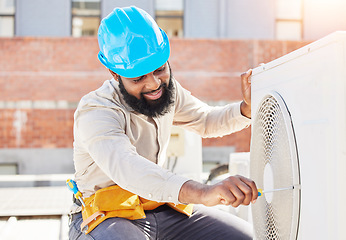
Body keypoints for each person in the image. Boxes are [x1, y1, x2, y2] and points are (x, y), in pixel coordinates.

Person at [69, 6, 258, 240]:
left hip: (158, 206)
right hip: (106, 217)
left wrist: (246, 108)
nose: (153, 84)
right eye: (138, 77)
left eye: (160, 69)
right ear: (114, 72)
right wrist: (202, 191)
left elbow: (206, 120)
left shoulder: (167, 90)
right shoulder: (96, 111)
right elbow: (128, 169)